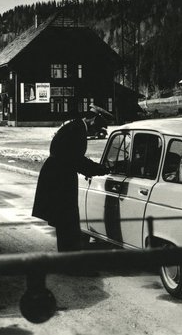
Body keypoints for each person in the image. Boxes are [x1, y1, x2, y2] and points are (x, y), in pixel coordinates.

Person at [32, 105, 112, 252]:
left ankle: (67, 259)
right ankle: (71, 263)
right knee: (68, 222)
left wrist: (92, 168)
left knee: (64, 222)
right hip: (61, 178)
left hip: (57, 175)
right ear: (92, 119)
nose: (95, 131)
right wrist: (100, 169)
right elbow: (76, 159)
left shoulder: (73, 126)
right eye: (97, 127)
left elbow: (73, 157)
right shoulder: (77, 130)